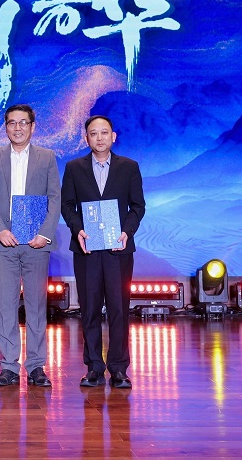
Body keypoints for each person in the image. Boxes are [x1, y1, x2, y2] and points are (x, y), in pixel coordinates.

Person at [0, 104, 61, 388]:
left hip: (37, 242)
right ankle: (9, 367)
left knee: (37, 306)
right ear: (5, 127)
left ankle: (36, 366)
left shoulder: (47, 157)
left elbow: (54, 198)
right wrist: (0, 230)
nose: (17, 128)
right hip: (4, 241)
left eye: (23, 122)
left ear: (32, 126)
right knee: (6, 306)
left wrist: (45, 234)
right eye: (12, 122)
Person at [60, 115, 145, 389]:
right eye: (94, 133)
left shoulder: (129, 167)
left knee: (119, 309)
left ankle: (119, 368)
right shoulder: (74, 168)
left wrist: (126, 231)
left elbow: (138, 206)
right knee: (90, 309)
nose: (99, 138)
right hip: (87, 249)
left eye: (104, 132)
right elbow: (67, 205)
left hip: (118, 248)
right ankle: (94, 367)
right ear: (86, 138)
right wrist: (77, 229)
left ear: (113, 136)